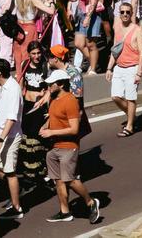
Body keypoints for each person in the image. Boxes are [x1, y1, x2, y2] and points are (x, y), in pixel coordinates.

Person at [39, 69, 101, 223]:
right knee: (58, 180)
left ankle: (91, 202)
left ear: (60, 84)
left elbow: (74, 129)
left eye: (51, 84)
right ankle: (64, 211)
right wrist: (45, 126)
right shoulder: (53, 99)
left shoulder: (70, 101)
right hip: (53, 147)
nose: (49, 86)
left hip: (68, 146)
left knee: (70, 180)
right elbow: (53, 117)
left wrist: (51, 132)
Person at [0, 58, 24, 219]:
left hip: (9, 135)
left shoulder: (13, 89)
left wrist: (0, 141)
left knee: (9, 171)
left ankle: (17, 207)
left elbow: (11, 118)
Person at [106, 3, 142, 138]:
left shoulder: (137, 30)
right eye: (122, 12)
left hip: (132, 68)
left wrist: (139, 72)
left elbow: (141, 53)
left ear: (132, 13)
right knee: (115, 96)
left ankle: (130, 126)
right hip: (119, 68)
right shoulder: (117, 28)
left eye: (128, 12)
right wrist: (109, 68)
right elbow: (114, 50)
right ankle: (131, 115)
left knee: (130, 98)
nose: (125, 14)